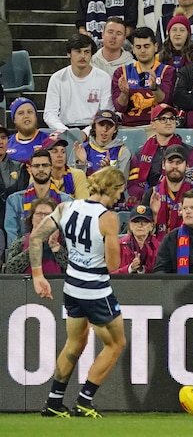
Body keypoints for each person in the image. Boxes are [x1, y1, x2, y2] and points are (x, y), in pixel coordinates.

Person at [31, 167, 127, 418]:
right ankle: (85, 401)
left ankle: (54, 401)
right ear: (111, 188)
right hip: (95, 289)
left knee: (74, 342)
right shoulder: (108, 218)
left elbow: (35, 237)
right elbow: (114, 264)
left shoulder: (67, 207)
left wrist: (38, 275)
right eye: (119, 191)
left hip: (71, 286)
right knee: (116, 344)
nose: (120, 196)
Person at [127, 104, 193, 205]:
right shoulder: (140, 153)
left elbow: (192, 183)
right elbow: (132, 184)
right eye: (163, 119)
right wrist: (149, 196)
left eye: (171, 119)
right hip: (147, 202)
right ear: (152, 124)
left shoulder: (188, 151)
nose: (168, 122)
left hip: (179, 203)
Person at [44, 34, 114, 132]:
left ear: (91, 54)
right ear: (69, 54)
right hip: (64, 129)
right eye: (78, 51)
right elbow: (50, 114)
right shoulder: (57, 78)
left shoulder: (104, 78)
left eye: (87, 52)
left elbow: (106, 112)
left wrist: (87, 132)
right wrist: (66, 131)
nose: (83, 56)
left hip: (95, 131)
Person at [5, 149, 72, 244]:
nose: (41, 169)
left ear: (51, 167)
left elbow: (70, 237)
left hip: (56, 255)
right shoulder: (14, 201)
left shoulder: (67, 202)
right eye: (36, 166)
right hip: (24, 254)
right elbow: (12, 241)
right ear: (29, 169)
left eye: (45, 165)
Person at [112, 26, 175, 126]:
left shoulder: (167, 71)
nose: (142, 51)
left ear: (155, 47)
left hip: (157, 126)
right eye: (138, 47)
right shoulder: (121, 72)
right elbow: (119, 108)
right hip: (129, 127)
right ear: (133, 49)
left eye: (146, 46)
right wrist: (124, 93)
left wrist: (154, 88)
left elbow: (166, 102)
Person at [3, 198, 64, 275]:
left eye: (48, 215)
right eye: (39, 214)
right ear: (31, 218)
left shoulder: (66, 242)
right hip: (26, 286)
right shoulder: (20, 242)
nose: (43, 218)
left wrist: (57, 248)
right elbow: (9, 271)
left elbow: (76, 270)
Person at [72, 110, 131, 178]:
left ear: (115, 129)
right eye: (101, 124)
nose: (105, 129)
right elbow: (72, 182)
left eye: (110, 125)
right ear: (94, 127)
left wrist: (108, 172)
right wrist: (81, 164)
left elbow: (122, 184)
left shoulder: (123, 152)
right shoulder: (81, 149)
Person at [114, 205, 159, 275]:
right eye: (136, 222)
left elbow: (162, 274)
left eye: (144, 222)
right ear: (130, 225)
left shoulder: (158, 247)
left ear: (151, 226)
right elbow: (110, 274)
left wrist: (142, 270)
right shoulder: (118, 245)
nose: (140, 225)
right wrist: (130, 268)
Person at [7, 97, 49, 163]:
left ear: (35, 116)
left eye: (30, 112)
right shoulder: (6, 143)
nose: (26, 116)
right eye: (21, 113)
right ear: (14, 119)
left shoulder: (49, 141)